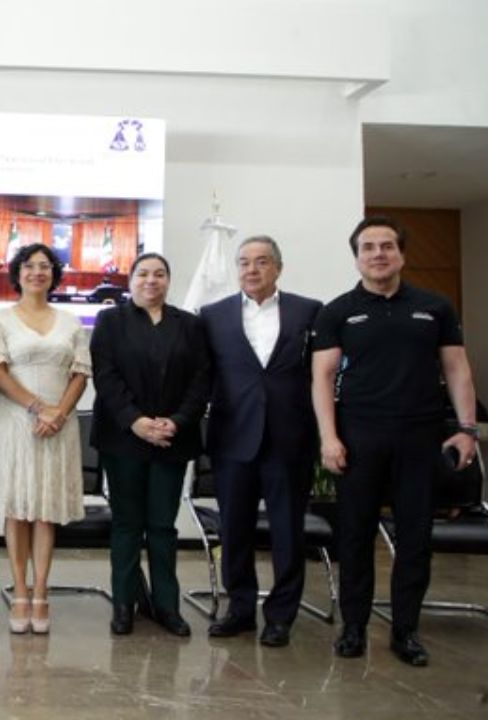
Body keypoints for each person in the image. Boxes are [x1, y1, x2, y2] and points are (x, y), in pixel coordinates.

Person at [312, 216, 478, 667]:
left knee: (415, 539)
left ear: (401, 254)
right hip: (358, 437)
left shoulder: (435, 307)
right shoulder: (338, 311)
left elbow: (457, 368)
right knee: (355, 536)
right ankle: (353, 628)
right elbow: (322, 377)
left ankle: (406, 631)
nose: (378, 254)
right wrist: (329, 438)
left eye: (387, 246)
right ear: (357, 258)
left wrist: (467, 429)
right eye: (368, 247)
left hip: (420, 437)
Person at [201, 236, 322, 648]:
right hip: (233, 437)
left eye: (262, 262)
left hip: (290, 438)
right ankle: (240, 610)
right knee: (234, 529)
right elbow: (203, 375)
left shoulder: (309, 311)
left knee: (288, 531)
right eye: (244, 262)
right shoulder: (213, 315)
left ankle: (281, 617)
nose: (252, 269)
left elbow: (321, 374)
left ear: (278, 268)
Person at [90, 252, 209, 637]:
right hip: (123, 438)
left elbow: (201, 380)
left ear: (168, 281)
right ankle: (124, 604)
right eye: (143, 273)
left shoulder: (190, 325)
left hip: (172, 440)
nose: (151, 280)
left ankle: (166, 606)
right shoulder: (110, 320)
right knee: (127, 524)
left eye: (159, 274)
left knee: (162, 525)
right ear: (131, 280)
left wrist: (177, 421)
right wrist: (136, 422)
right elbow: (105, 376)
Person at [0, 243, 90, 634]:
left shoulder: (71, 322)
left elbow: (80, 374)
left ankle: (41, 592)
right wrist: (39, 408)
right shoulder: (0, 320)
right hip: (15, 422)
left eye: (44, 266)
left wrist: (59, 413)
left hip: (59, 423)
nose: (37, 272)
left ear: (54, 274)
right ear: (17, 273)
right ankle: (20, 592)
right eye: (29, 266)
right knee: (18, 508)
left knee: (45, 511)